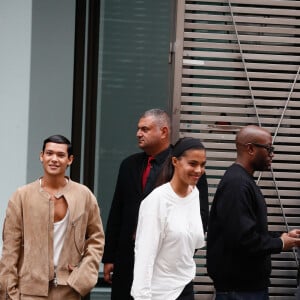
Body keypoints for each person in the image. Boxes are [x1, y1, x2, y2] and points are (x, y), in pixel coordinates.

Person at [102, 108, 209, 300]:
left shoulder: (188, 169)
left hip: (168, 265)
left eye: (145, 129)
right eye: (138, 129)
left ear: (164, 132)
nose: (138, 133)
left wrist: (178, 252)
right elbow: (117, 210)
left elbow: (200, 216)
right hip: (128, 258)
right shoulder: (129, 165)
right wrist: (109, 256)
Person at [0, 134, 105, 299]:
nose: (54, 159)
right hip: (28, 289)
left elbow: (96, 239)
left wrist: (83, 277)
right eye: (49, 153)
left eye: (60, 155)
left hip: (68, 288)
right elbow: (10, 248)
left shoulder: (83, 195)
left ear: (70, 160)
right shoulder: (22, 196)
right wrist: (9, 291)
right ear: (41, 156)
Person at [206, 125, 300, 300]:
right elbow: (243, 240)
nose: (272, 154)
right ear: (250, 148)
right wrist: (280, 243)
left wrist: (285, 237)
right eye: (269, 149)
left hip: (246, 290)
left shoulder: (242, 181)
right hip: (240, 292)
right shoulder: (237, 185)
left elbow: (249, 231)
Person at [131, 137, 207, 300]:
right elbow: (144, 255)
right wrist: (142, 296)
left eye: (202, 165)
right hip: (159, 293)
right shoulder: (156, 201)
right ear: (175, 161)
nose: (199, 170)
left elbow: (194, 242)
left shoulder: (195, 194)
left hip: (186, 287)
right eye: (193, 164)